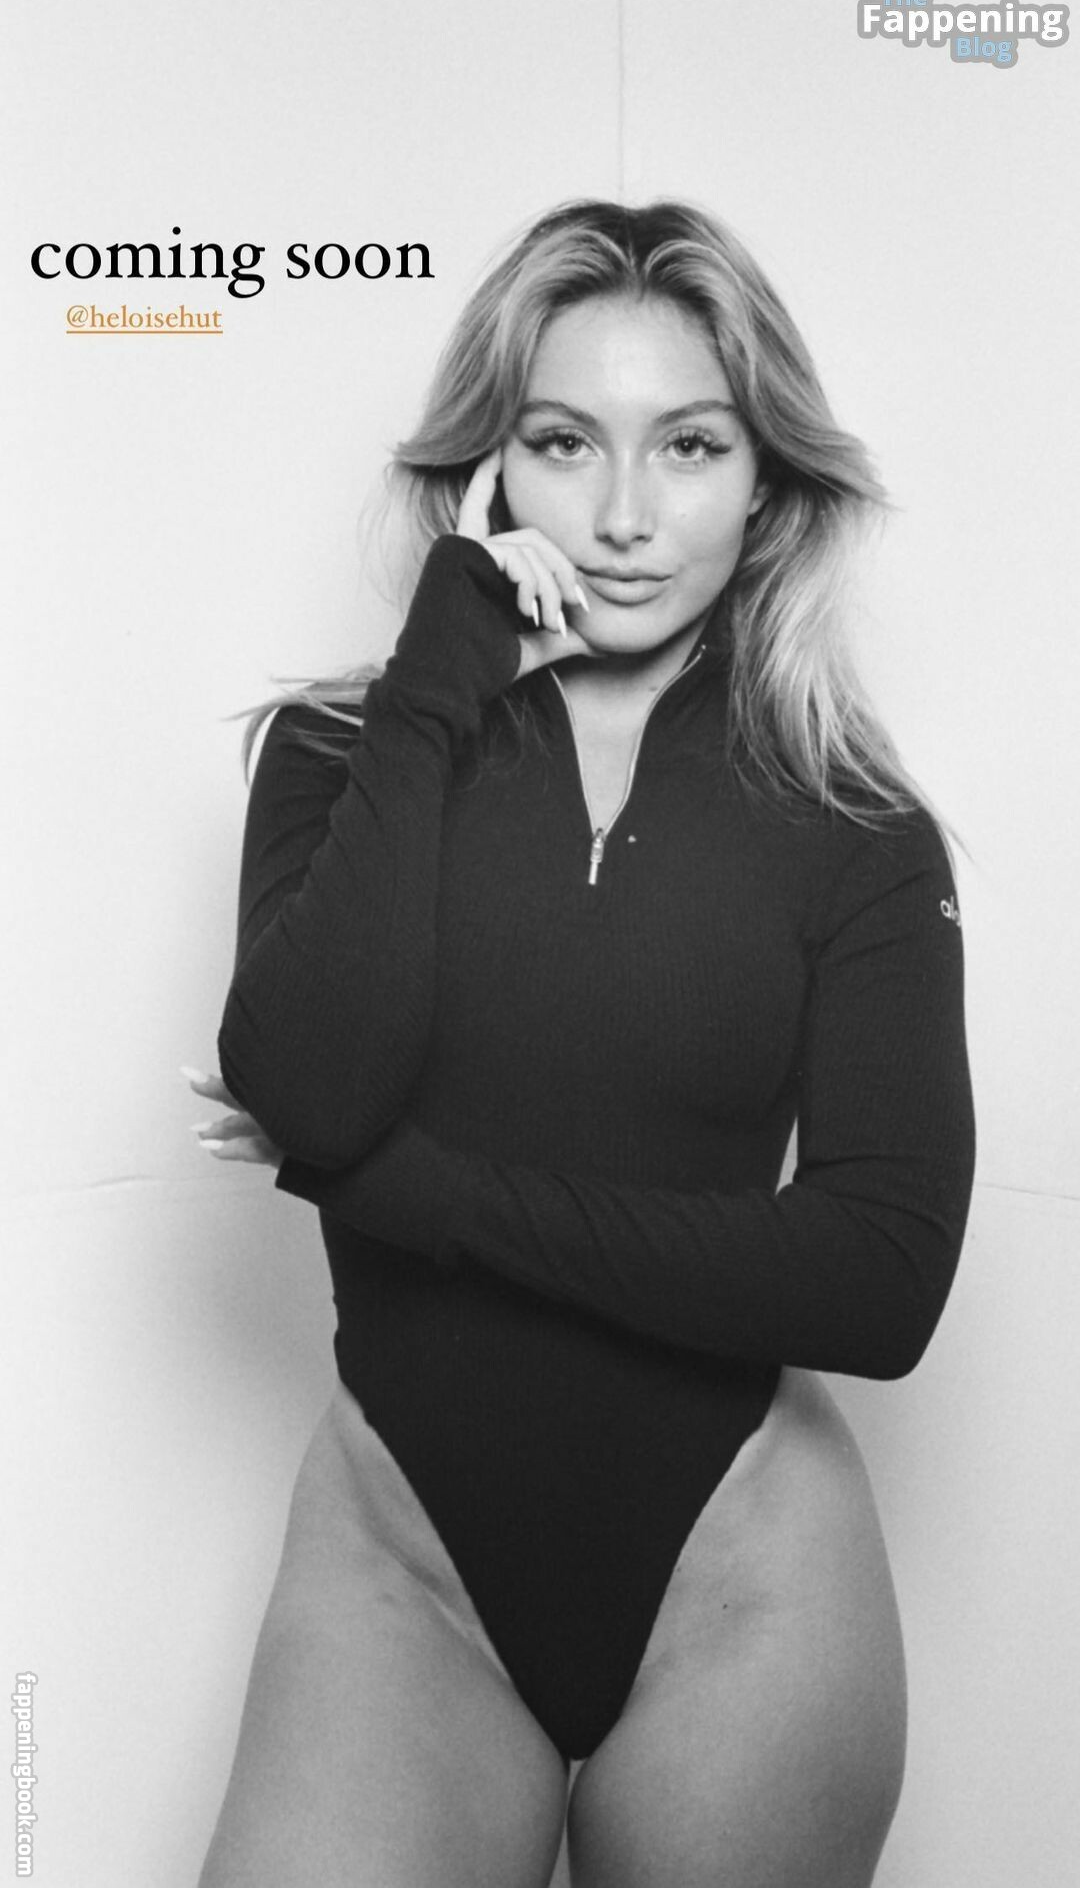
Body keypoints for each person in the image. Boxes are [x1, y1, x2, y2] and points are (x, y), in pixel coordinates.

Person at [188, 198, 975, 1888]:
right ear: (488, 467)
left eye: (689, 445)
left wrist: (413, 1194)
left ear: (765, 480)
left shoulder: (853, 823)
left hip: (739, 1575)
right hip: (400, 1564)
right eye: (563, 443)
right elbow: (308, 1083)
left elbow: (879, 1280)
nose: (623, 516)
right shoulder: (340, 752)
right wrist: (439, 670)